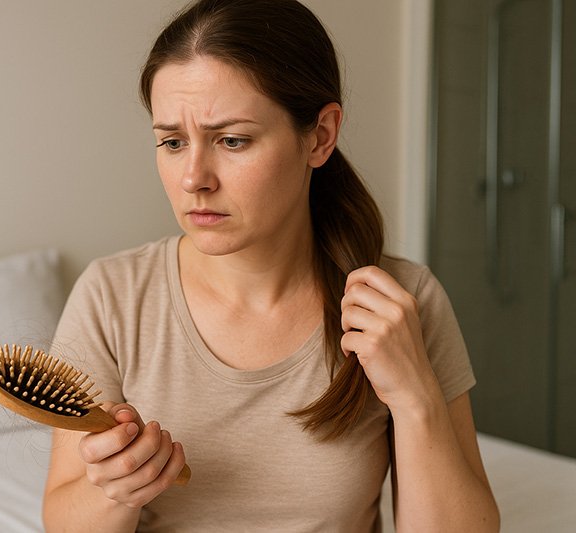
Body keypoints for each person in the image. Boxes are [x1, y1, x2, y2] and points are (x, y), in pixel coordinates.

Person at [43, 0, 500, 531]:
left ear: (320, 136)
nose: (194, 178)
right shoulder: (111, 296)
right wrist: (117, 492)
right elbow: (65, 520)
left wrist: (416, 399)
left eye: (232, 140)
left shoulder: (402, 302)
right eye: (172, 141)